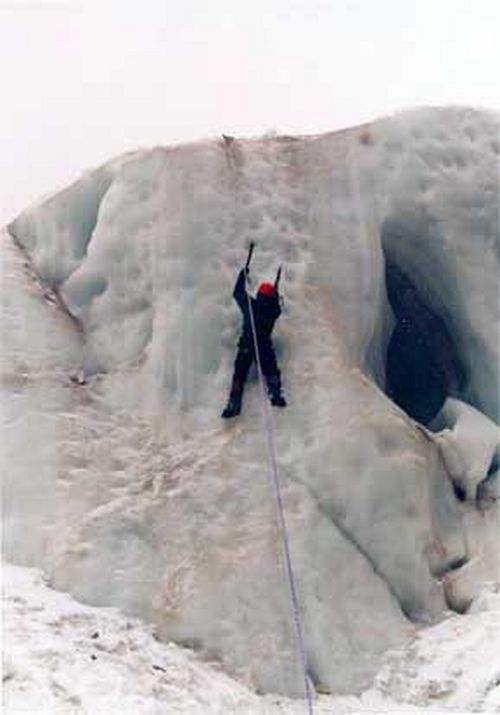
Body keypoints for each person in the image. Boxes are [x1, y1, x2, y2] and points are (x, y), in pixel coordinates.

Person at [221, 259, 287, 419]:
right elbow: (276, 306)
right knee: (270, 369)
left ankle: (234, 403)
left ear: (259, 295)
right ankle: (275, 394)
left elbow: (238, 293)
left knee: (239, 374)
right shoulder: (273, 311)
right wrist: (275, 294)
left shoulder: (250, 305)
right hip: (263, 345)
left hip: (246, 345)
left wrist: (242, 275)